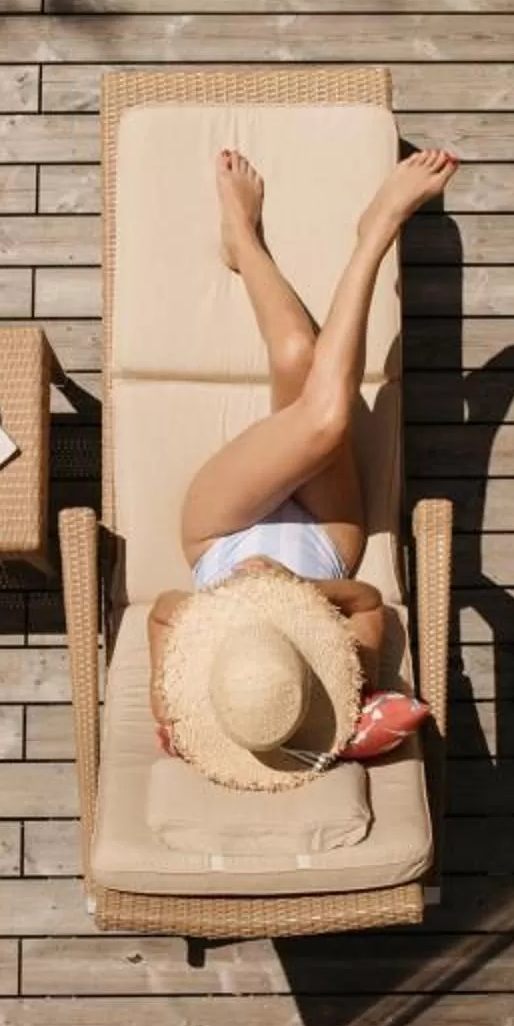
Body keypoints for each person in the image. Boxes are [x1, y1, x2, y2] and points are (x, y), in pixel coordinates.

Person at [146, 146, 456, 789]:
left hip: (220, 535)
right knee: (302, 367)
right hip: (325, 537)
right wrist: (296, 592)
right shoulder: (345, 674)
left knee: (313, 391)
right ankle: (366, 237)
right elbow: (369, 601)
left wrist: (227, 598)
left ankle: (304, 241)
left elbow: (164, 610)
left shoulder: (188, 697)